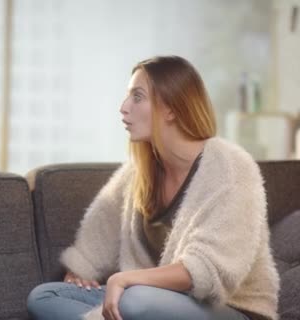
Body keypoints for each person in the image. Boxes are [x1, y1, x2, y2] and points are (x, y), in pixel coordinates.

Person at [26, 56, 279, 320]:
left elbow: (207, 269)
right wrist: (81, 269)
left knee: (135, 300)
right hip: (155, 303)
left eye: (137, 97)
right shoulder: (139, 172)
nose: (123, 108)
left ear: (170, 107)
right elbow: (100, 228)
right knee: (45, 296)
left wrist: (125, 280)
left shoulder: (230, 167)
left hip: (231, 309)